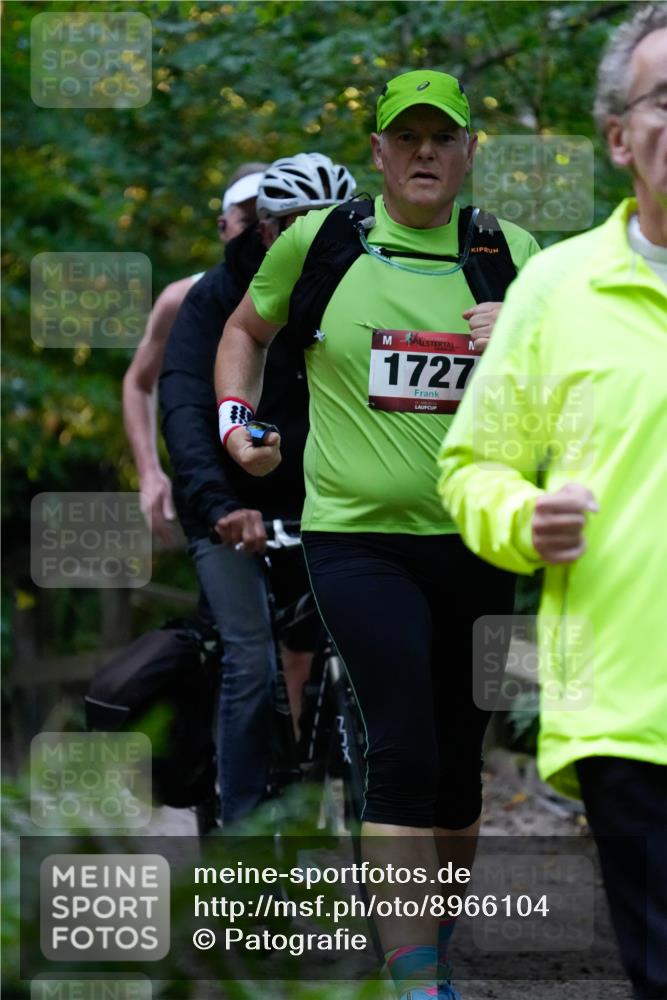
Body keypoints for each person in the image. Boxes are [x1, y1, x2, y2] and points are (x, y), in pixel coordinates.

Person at [215, 72, 540, 999]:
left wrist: (517, 341)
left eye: (443, 137)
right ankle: (416, 976)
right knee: (402, 745)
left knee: (458, 760)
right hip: (356, 538)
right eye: (408, 138)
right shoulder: (325, 244)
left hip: (481, 537)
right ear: (379, 153)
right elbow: (243, 331)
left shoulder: (509, 254)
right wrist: (238, 417)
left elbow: (574, 394)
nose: (425, 153)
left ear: (470, 151)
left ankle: (431, 935)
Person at [437, 7, 667, 999]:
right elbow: (471, 466)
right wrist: (520, 519)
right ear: (618, 135)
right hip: (627, 710)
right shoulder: (554, 288)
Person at [160, 153, 357, 824]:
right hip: (229, 504)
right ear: (268, 231)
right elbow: (185, 407)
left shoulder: (353, 285)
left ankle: (351, 803)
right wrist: (219, 506)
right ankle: (241, 830)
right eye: (298, 223)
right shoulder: (214, 298)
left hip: (322, 501)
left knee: (355, 645)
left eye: (328, 223)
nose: (315, 235)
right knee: (250, 660)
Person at [122, 163, 266, 542]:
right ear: (222, 226)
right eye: (245, 219)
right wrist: (150, 473)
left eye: (267, 219)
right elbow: (139, 383)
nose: (257, 231)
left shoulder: (312, 295)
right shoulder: (184, 299)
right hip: (212, 490)